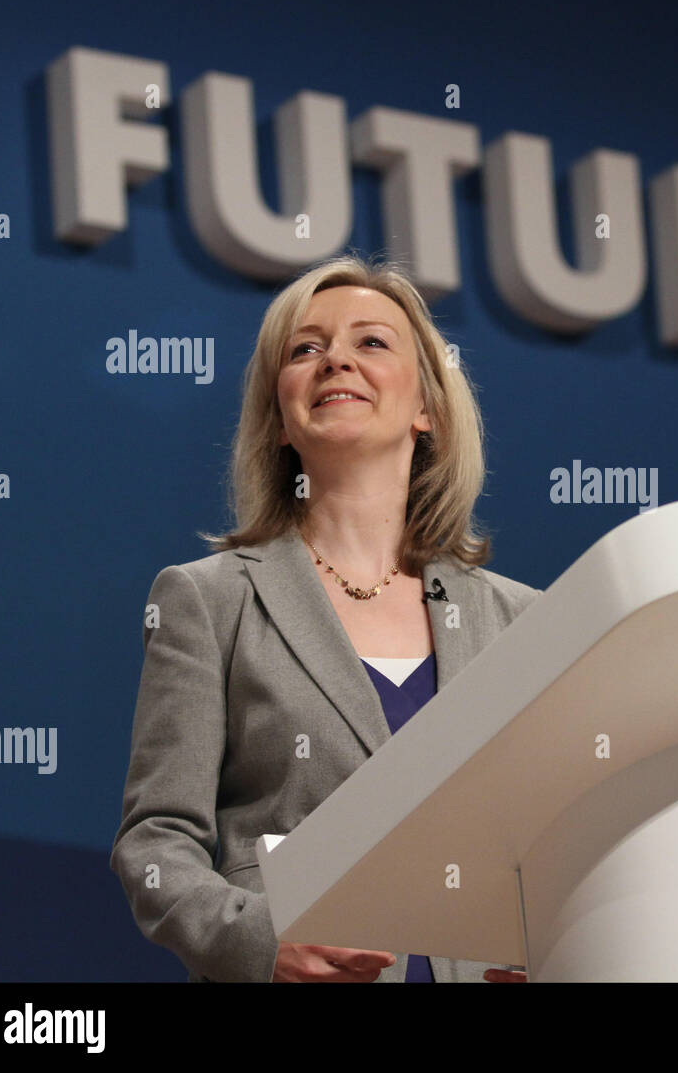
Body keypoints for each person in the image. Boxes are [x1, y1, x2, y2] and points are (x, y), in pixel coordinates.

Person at [111, 252, 536, 982]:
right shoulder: (206, 600)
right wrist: (262, 941)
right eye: (306, 349)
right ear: (280, 418)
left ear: (426, 408)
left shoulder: (522, 619)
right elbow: (156, 843)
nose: (335, 358)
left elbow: (553, 836)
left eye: (371, 342)